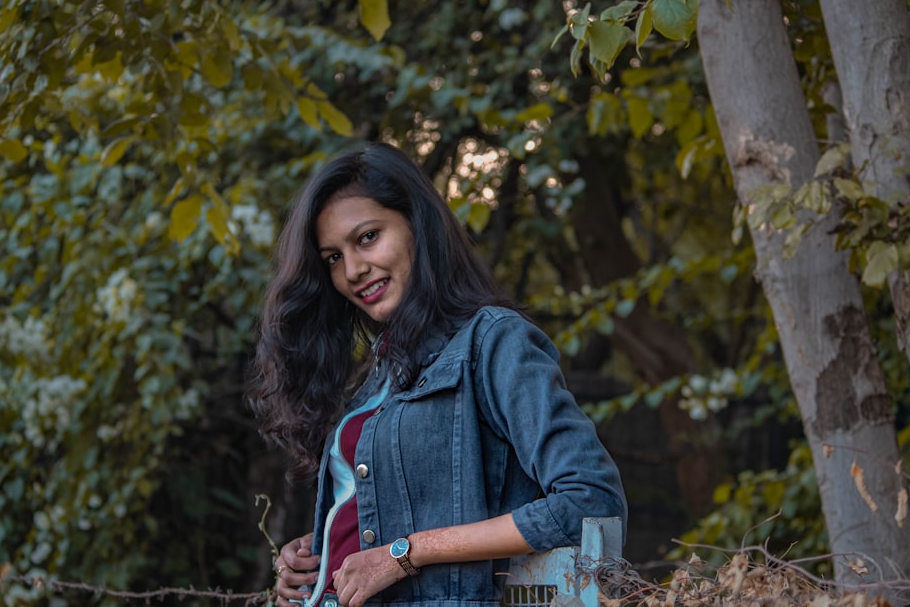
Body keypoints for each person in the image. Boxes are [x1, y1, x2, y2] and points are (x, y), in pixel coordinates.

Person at [247, 142, 626, 607]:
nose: (353, 270)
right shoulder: (380, 372)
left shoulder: (493, 342)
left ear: (416, 224)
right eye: (332, 257)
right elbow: (412, 511)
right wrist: (318, 555)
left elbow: (589, 502)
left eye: (367, 237)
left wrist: (408, 553)